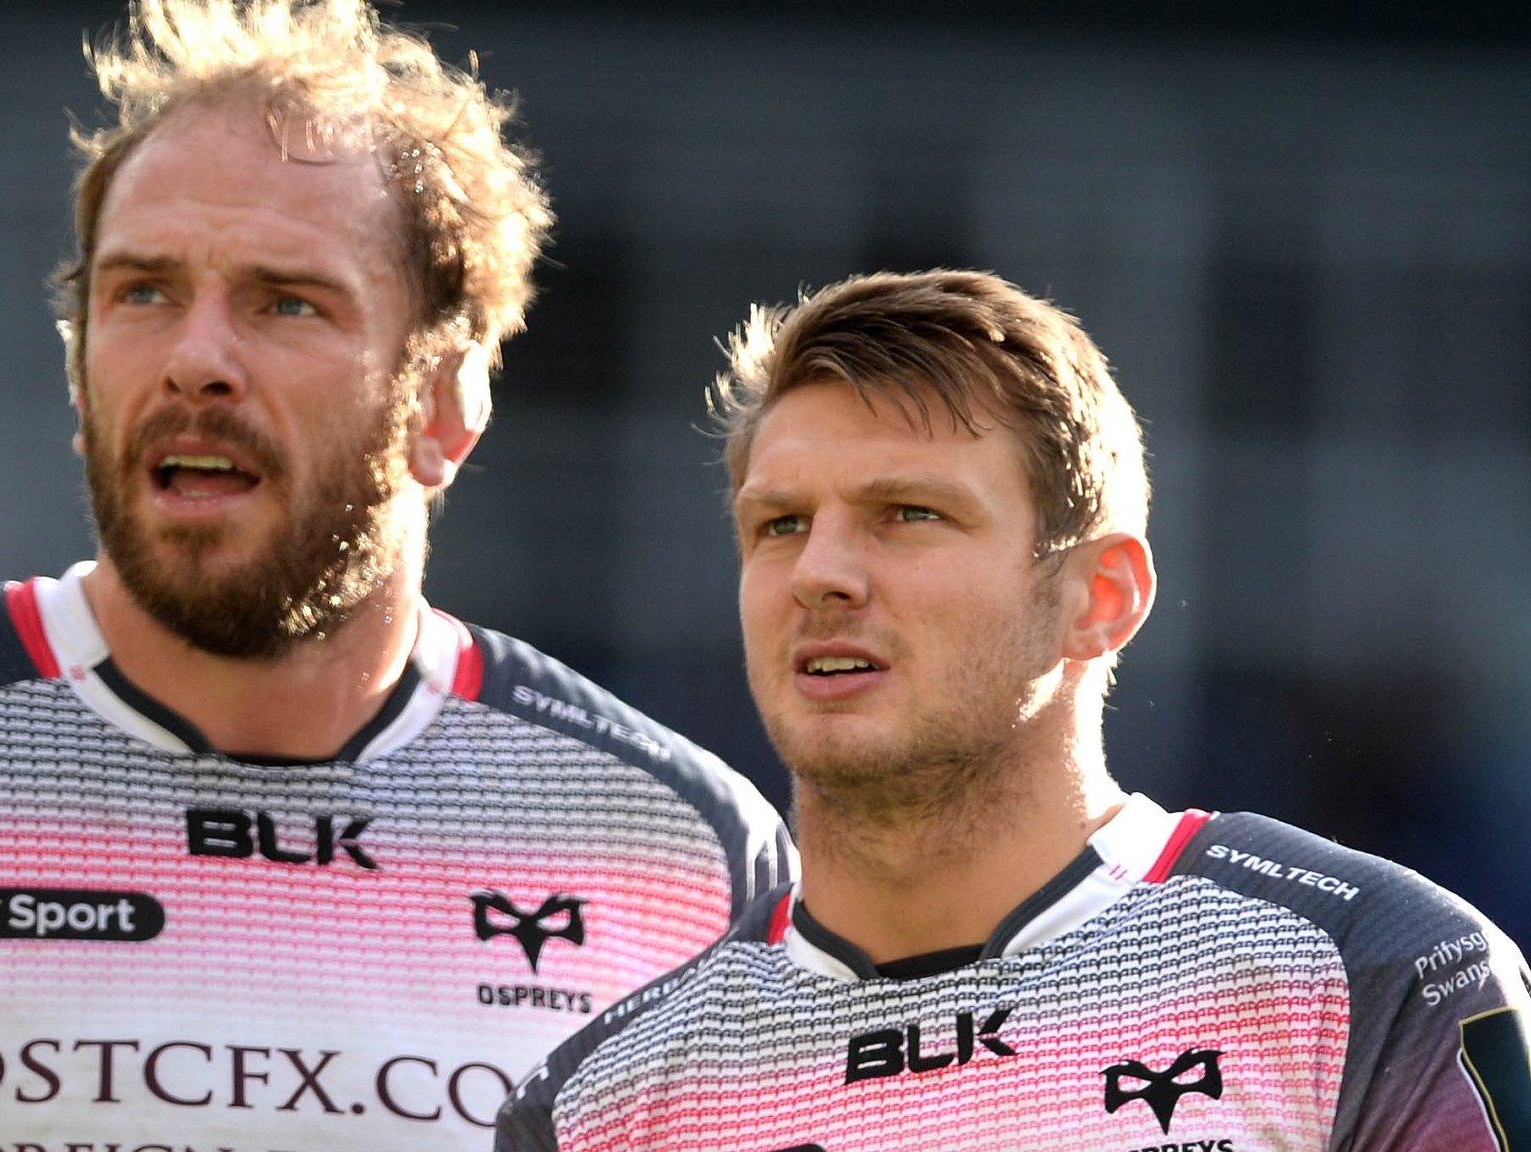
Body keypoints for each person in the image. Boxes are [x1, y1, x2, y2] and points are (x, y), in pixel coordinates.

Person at [0, 3, 794, 1149]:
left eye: (287, 302)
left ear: (444, 404)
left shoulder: (683, 850)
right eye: (143, 294)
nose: (195, 360)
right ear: (78, 370)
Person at [495, 269, 1531, 1152]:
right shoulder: (599, 1105)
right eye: (777, 525)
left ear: (1099, 598)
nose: (817, 573)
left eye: (908, 514)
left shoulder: (1376, 978)